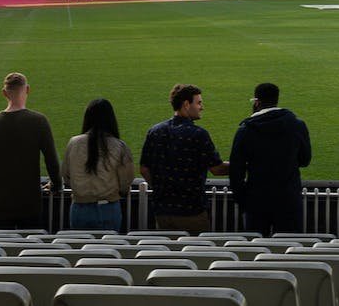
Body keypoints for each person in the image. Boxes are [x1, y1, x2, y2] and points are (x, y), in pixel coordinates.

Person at [140, 84, 228, 234]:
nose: (202, 107)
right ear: (186, 105)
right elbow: (217, 169)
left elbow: (143, 168)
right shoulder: (199, 135)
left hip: (163, 212)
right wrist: (244, 163)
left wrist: (160, 190)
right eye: (199, 103)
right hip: (192, 212)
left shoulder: (154, 132)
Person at [228, 82, 312, 236]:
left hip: (256, 199)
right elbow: (305, 160)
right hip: (288, 198)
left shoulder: (246, 129)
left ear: (257, 102)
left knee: (255, 249)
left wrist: (242, 199)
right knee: (289, 249)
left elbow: (236, 169)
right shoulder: (297, 125)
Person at [0, 72, 61, 231]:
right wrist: (56, 185)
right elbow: (52, 160)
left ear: (4, 93)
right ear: (27, 90)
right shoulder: (38, 121)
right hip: (29, 201)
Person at [60, 98, 136, 232]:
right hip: (107, 209)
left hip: (79, 208)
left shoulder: (73, 143)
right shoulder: (119, 146)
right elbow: (126, 182)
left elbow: (66, 176)